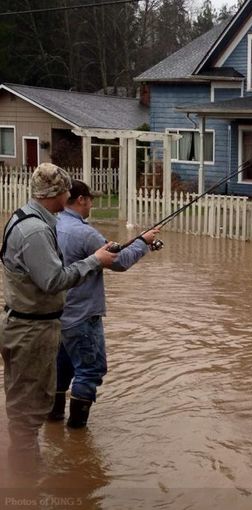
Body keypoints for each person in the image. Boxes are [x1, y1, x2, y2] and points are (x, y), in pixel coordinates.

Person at [0, 164, 116, 456]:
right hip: (31, 330)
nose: (71, 195)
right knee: (27, 412)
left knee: (30, 403)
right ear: (59, 193)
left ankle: (32, 471)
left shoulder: (25, 217)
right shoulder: (35, 230)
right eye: (67, 190)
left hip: (29, 324)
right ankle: (26, 483)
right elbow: (54, 280)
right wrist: (95, 260)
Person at [48, 180, 160, 429]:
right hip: (83, 316)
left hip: (57, 315)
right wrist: (143, 243)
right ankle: (77, 434)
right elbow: (119, 262)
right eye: (91, 199)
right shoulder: (84, 233)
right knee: (90, 371)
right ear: (81, 200)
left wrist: (139, 241)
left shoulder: (52, 225)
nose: (92, 204)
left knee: (60, 371)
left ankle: (53, 423)